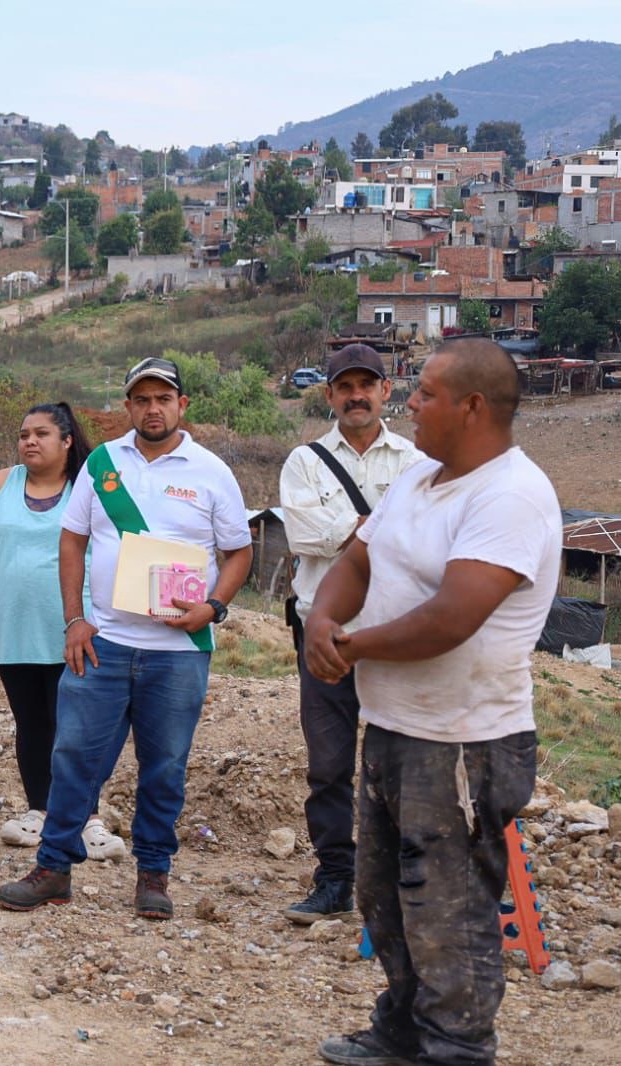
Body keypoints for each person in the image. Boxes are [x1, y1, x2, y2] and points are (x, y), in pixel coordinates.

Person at [308, 339, 559, 1066]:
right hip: (394, 726)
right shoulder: (420, 476)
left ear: (472, 407)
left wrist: (348, 647)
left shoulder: (510, 497)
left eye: (425, 393)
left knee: (447, 910)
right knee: (385, 898)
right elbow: (358, 559)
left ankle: (456, 1049)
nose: (410, 403)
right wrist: (322, 619)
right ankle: (402, 1030)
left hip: (462, 741)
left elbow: (451, 619)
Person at [0, 356, 252, 920]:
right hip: (105, 642)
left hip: (179, 651)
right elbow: (72, 539)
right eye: (142, 399)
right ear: (128, 406)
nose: (153, 408)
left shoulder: (211, 471)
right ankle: (53, 869)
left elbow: (239, 552)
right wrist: (74, 619)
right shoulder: (103, 463)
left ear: (182, 405)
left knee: (165, 767)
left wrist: (213, 607)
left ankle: (153, 875)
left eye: (164, 398)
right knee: (73, 758)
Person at [279, 344, 421, 924]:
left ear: (386, 390)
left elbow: (421, 539)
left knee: (405, 763)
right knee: (329, 764)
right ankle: (335, 877)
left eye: (367, 385)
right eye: (345, 386)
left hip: (395, 636)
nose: (356, 396)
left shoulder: (416, 461)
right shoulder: (304, 461)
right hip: (325, 636)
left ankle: (409, 878)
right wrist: (376, 526)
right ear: (330, 395)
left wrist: (347, 529)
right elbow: (301, 535)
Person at [0, 402, 125, 858]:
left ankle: (87, 819)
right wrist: (10, 570)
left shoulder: (90, 487)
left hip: (75, 628)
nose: (29, 441)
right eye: (23, 434)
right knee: (31, 723)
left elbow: (118, 544)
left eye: (41, 433)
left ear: (67, 441)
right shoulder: (0, 484)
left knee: (77, 727)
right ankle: (41, 812)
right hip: (12, 624)